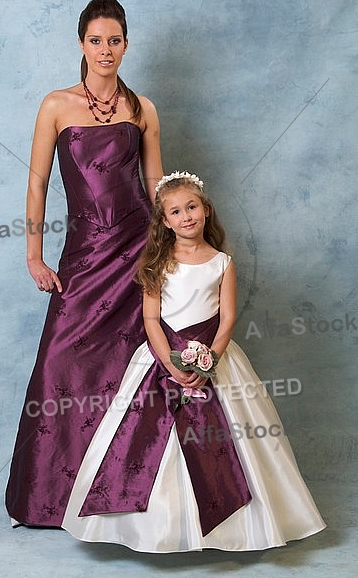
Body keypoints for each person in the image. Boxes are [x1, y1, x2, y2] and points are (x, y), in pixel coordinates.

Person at [61, 171, 326, 552]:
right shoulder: (157, 261)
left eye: (191, 206)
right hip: (161, 357)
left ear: (205, 210)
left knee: (232, 439)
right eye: (175, 211)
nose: (186, 216)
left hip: (214, 359)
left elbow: (228, 318)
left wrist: (209, 362)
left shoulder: (222, 262)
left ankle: (235, 525)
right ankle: (153, 530)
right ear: (164, 221)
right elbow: (151, 319)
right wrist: (170, 366)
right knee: (146, 437)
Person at [5, 0, 163, 527]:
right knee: (61, 364)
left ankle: (130, 494)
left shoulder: (143, 109)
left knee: (137, 369)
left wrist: (174, 253)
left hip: (139, 252)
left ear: (126, 44)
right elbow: (37, 182)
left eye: (114, 40)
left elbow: (159, 189)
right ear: (80, 44)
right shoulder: (56, 105)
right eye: (96, 40)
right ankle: (51, 497)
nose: (105, 50)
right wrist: (34, 253)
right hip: (84, 255)